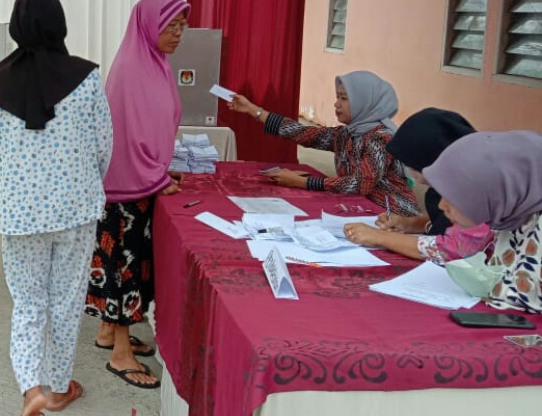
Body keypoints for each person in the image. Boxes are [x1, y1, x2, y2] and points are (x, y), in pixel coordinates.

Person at [0, 0, 112, 415]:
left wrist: (17, 192)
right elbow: (103, 145)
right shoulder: (86, 78)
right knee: (66, 302)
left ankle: (30, 388)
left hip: (20, 215)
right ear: (60, 23)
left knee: (28, 302)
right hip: (75, 209)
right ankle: (57, 388)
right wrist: (85, 183)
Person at [86, 0, 189, 390]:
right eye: (171, 25)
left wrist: (160, 170)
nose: (178, 33)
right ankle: (120, 355)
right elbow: (128, 137)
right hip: (124, 190)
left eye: (182, 25)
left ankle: (109, 332)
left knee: (131, 265)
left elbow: (155, 128)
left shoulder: (155, 63)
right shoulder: (132, 69)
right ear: (149, 24)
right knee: (123, 269)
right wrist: (156, 177)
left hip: (140, 183)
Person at [228, 71, 420, 216]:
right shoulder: (346, 134)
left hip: (395, 218)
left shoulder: (380, 138)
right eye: (337, 97)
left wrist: (303, 182)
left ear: (365, 102)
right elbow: (302, 133)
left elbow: (360, 183)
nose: (337, 104)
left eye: (344, 98)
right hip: (363, 211)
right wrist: (253, 110)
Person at [344, 108, 492, 263]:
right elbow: (447, 223)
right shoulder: (448, 189)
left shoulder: (479, 196)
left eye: (413, 165)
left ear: (433, 160)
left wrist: (380, 237)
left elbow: (450, 249)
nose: (410, 172)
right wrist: (409, 224)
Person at [421, 131, 542, 314]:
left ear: (497, 192)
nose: (442, 205)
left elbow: (523, 300)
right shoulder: (512, 216)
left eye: (454, 196)